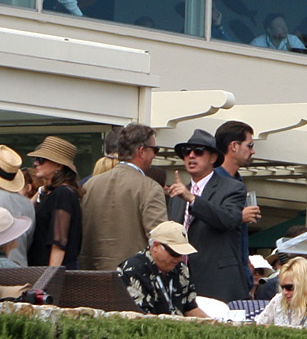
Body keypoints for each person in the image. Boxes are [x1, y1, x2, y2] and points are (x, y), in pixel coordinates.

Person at [163, 127, 254, 301]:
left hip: (217, 283)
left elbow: (228, 219)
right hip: (181, 283)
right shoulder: (178, 195)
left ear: (213, 157)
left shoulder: (232, 187)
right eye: (186, 152)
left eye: (198, 152)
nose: (191, 156)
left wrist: (192, 198)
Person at [79, 123, 167, 270]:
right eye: (155, 150)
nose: (154, 155)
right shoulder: (150, 188)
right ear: (141, 151)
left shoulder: (90, 185)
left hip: (91, 277)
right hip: (133, 279)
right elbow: (159, 238)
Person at [116, 222, 207, 317]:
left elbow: (190, 308)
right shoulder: (132, 270)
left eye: (182, 254)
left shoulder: (181, 269)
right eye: (174, 253)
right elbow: (140, 316)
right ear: (155, 246)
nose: (179, 258)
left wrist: (216, 325)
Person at [26, 136, 83, 268]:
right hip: (42, 271)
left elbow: (59, 242)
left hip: (50, 275)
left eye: (41, 160)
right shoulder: (54, 193)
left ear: (59, 164)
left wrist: (49, 279)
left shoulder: (63, 194)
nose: (35, 163)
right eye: (35, 159)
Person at [253, 257, 307, 330]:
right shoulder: (278, 300)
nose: (284, 292)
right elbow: (258, 327)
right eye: (282, 287)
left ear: (305, 285)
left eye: (289, 287)